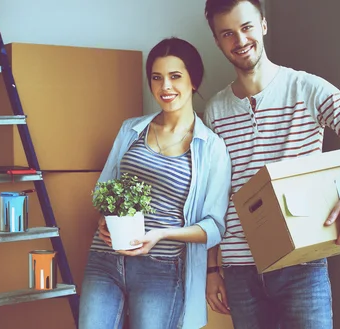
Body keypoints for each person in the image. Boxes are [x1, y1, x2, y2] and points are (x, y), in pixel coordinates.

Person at [202, 1, 340, 328]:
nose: (240, 40)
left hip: (302, 262)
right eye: (227, 33)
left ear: (263, 25)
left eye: (246, 27)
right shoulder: (215, 110)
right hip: (240, 269)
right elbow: (215, 197)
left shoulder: (306, 88)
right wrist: (212, 270)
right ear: (217, 41)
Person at [78, 37, 231, 329]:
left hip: (161, 269)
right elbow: (104, 190)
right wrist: (104, 219)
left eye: (175, 76)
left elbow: (214, 227)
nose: (165, 87)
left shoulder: (211, 147)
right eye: (157, 78)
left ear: (193, 81)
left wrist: (161, 234)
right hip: (106, 259)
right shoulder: (131, 130)